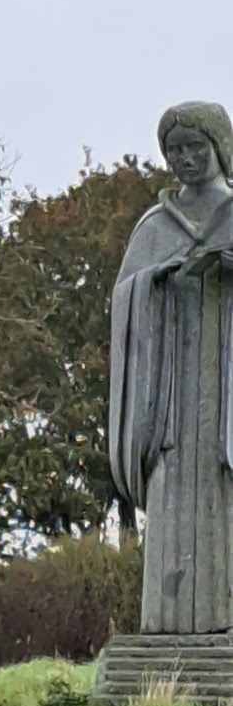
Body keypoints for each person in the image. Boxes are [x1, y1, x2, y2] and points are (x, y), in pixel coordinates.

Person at [108, 102, 233, 636]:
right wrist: (152, 282)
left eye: (195, 147)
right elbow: (124, 299)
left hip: (226, 394)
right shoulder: (155, 226)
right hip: (171, 400)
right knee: (174, 494)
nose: (185, 159)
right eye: (175, 150)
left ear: (220, 147)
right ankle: (168, 626)